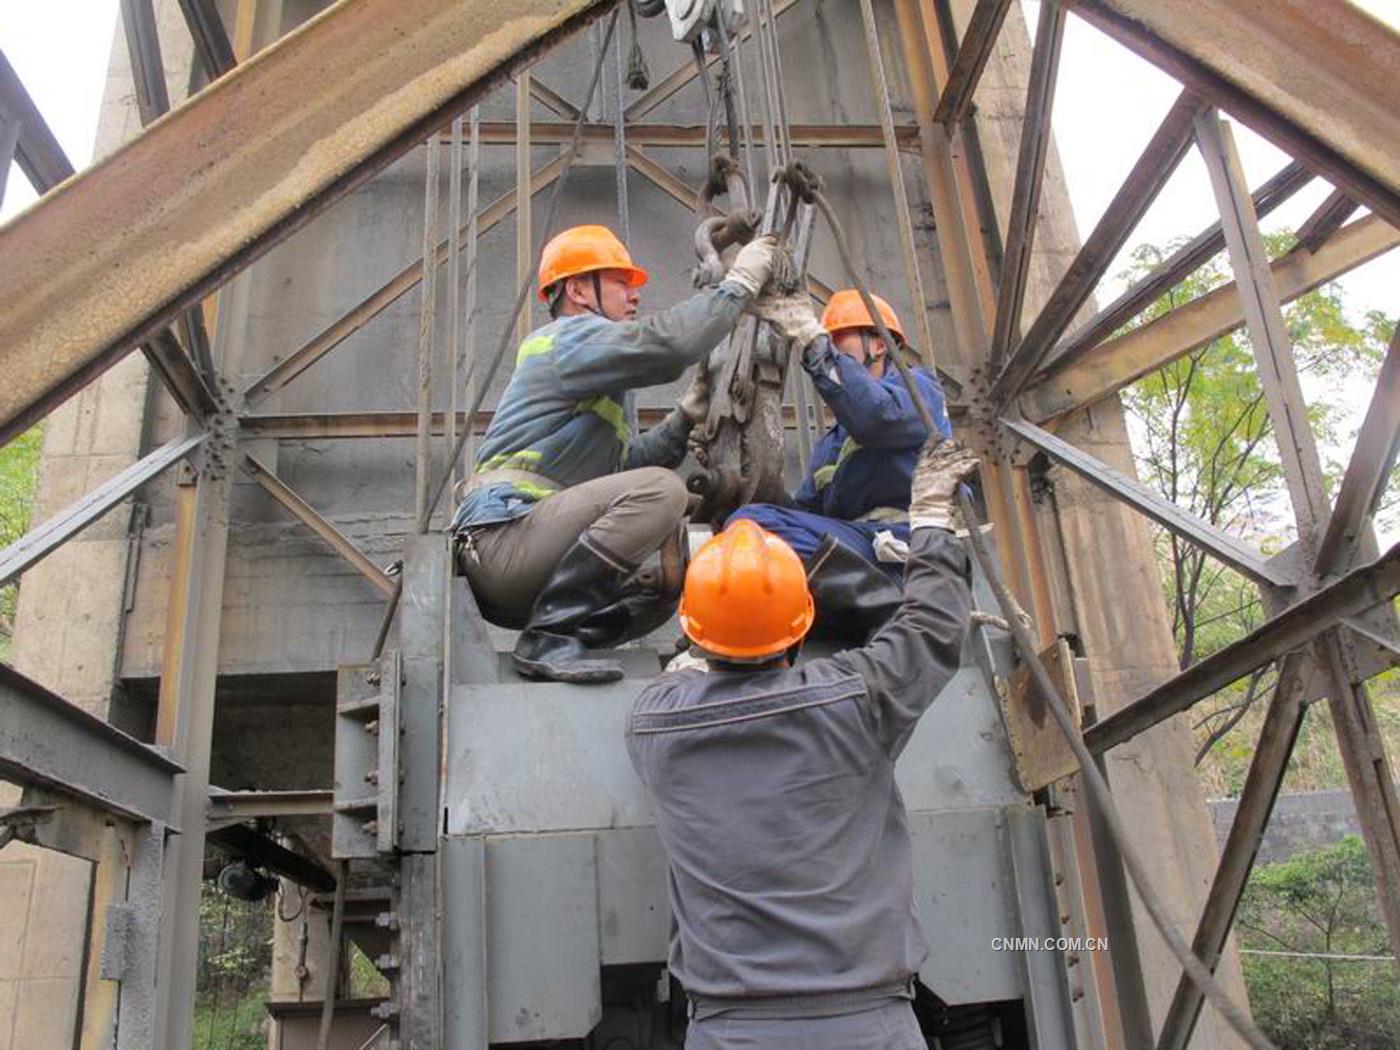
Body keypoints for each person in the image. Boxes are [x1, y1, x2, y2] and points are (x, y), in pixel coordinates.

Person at [626, 436, 979, 1050]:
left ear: (696, 635)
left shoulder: (654, 726)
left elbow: (670, 687)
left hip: (730, 1032)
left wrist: (690, 663)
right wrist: (929, 520)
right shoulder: (857, 700)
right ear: (802, 622)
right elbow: (932, 625)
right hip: (871, 1025)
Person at [450, 224, 779, 685]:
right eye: (621, 282)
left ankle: (571, 638)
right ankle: (549, 635)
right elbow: (669, 346)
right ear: (580, 290)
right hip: (506, 540)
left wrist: (684, 418)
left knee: (668, 567)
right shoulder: (564, 341)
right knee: (663, 492)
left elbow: (624, 468)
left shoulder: (592, 374)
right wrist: (737, 287)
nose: (634, 295)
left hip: (532, 554)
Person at [730, 289, 953, 638]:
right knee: (748, 528)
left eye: (838, 338)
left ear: (878, 345)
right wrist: (743, 477)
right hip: (864, 549)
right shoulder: (831, 445)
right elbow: (805, 516)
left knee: (754, 527)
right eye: (827, 339)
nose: (831, 346)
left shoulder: (920, 390)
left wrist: (813, 341)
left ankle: (890, 601)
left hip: (913, 547)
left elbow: (874, 415)